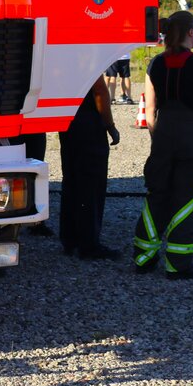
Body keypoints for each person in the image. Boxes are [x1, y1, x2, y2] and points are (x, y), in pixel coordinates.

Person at [132, 10, 193, 279]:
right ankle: (178, 264)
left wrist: (157, 140)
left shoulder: (156, 64)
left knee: (156, 195)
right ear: (191, 33)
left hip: (163, 134)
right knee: (188, 198)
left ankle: (143, 256)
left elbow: (150, 111)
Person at [60, 75, 120, 259]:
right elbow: (99, 91)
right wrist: (110, 125)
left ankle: (69, 238)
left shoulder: (63, 57)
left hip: (67, 121)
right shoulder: (89, 56)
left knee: (71, 181)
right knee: (91, 185)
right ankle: (89, 244)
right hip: (89, 123)